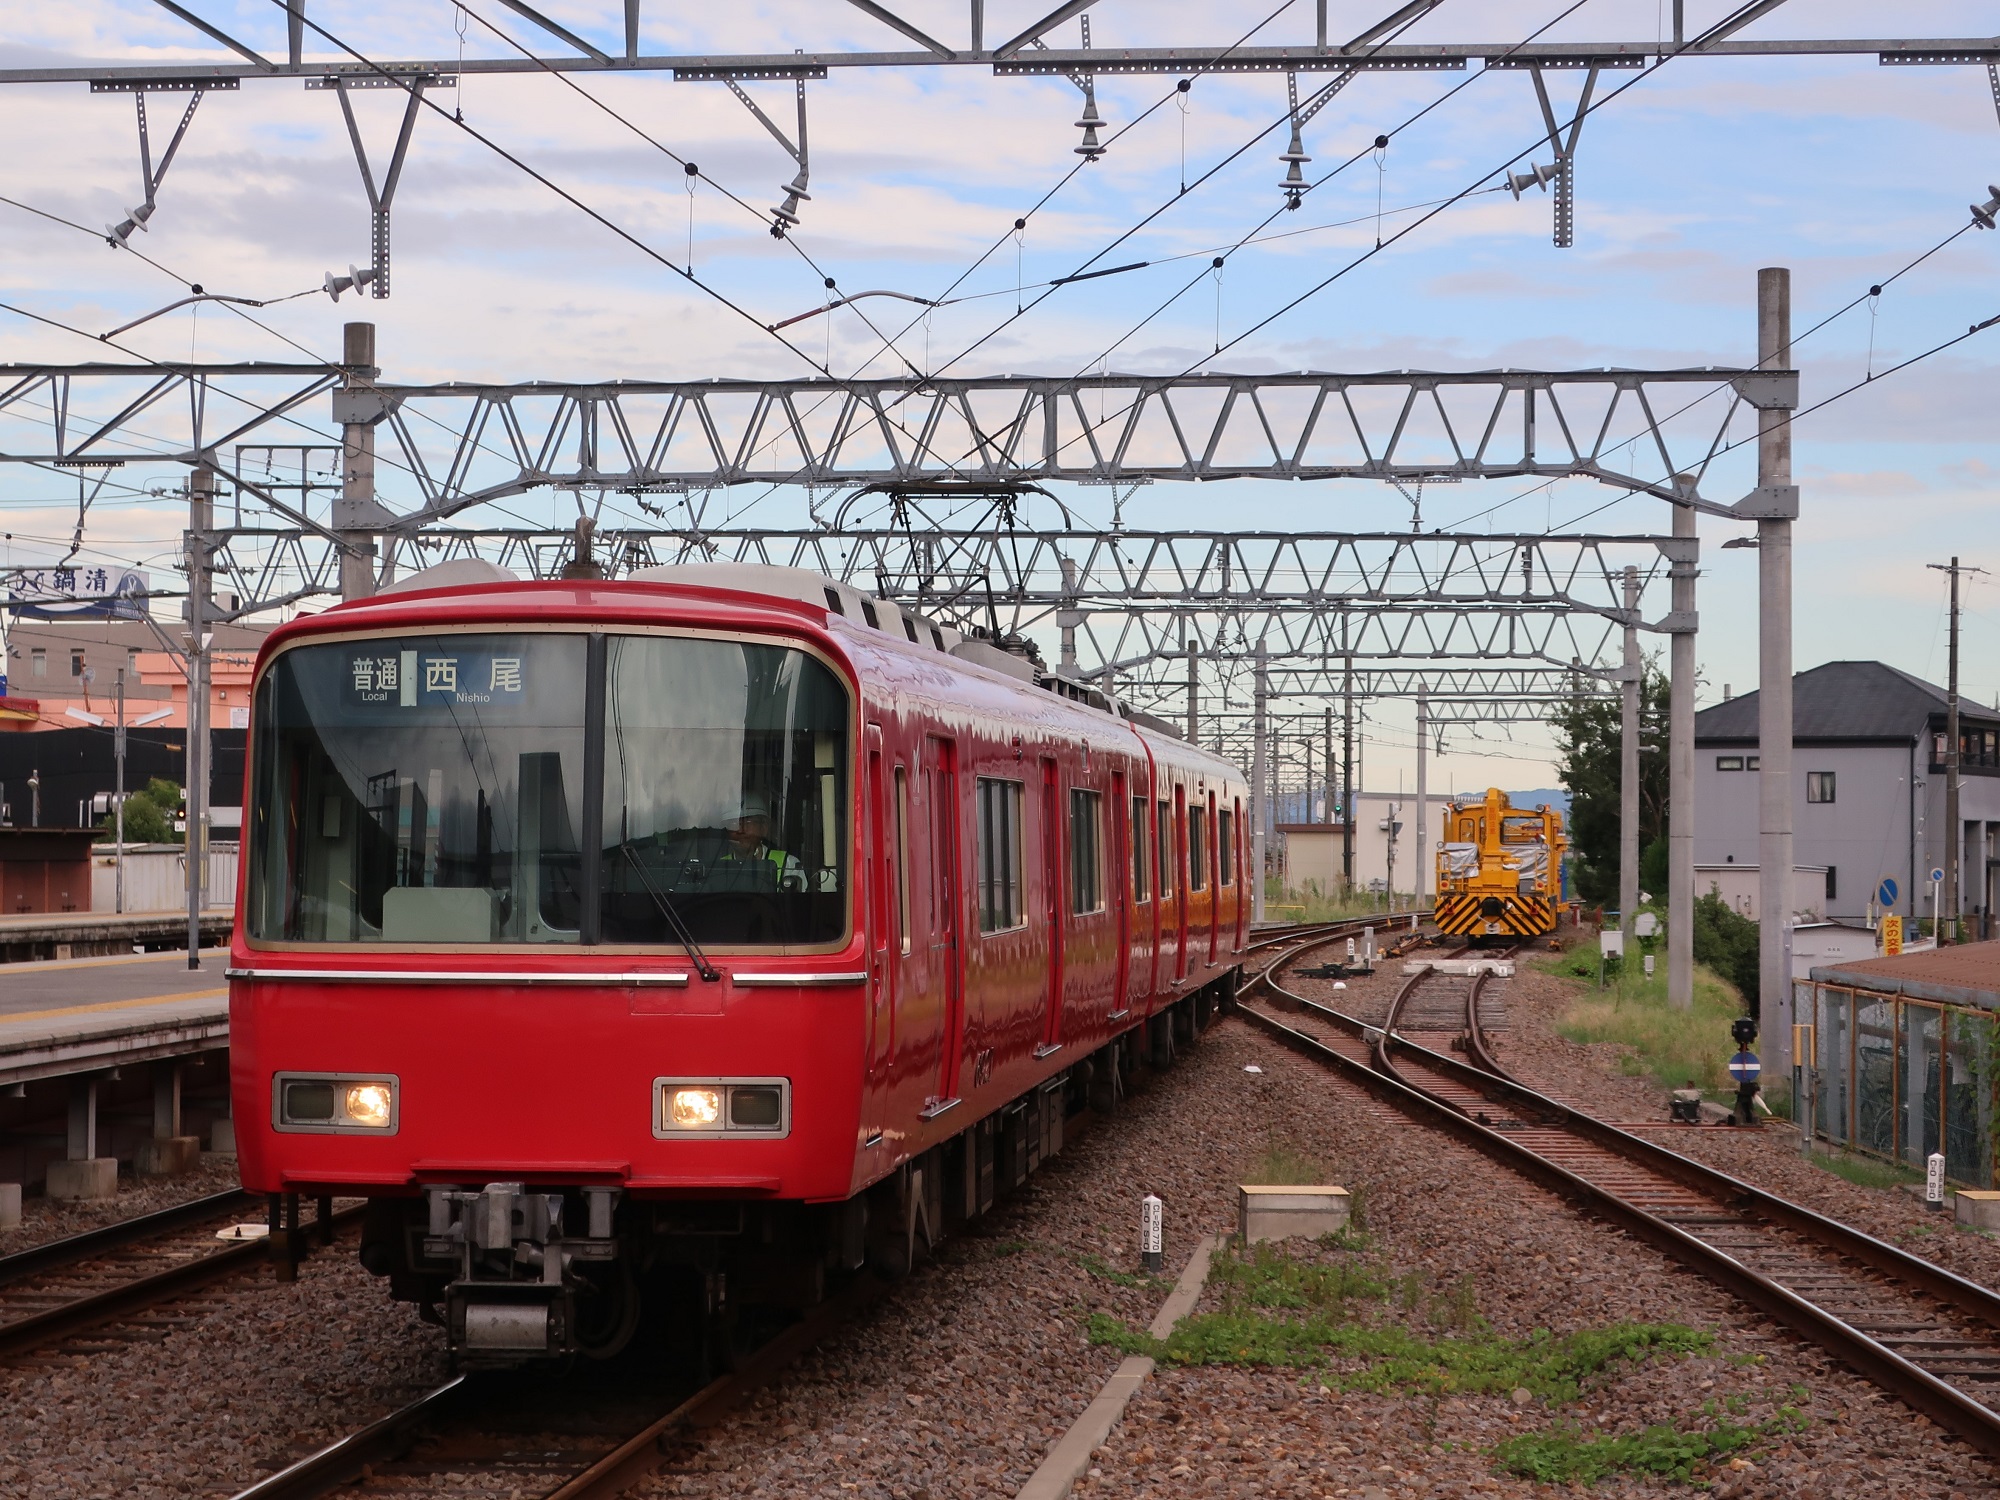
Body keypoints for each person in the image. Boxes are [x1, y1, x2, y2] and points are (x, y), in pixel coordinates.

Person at [722, 795, 806, 892]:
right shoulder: (717, 867)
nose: (740, 830)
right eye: (733, 823)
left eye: (748, 822)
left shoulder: (788, 864)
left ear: (764, 828)